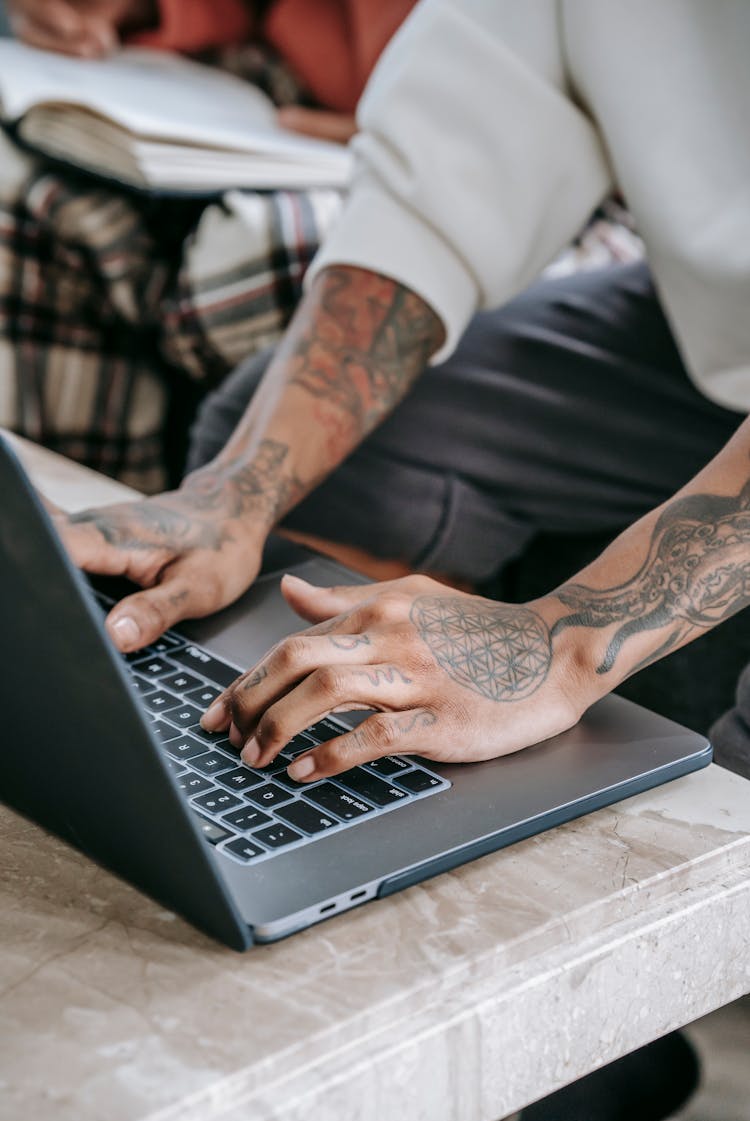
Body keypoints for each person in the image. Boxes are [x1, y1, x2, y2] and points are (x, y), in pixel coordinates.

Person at [48, 0, 749, 786]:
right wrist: (232, 490)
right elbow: (447, 162)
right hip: (711, 323)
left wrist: (559, 645)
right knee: (289, 459)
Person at [0, 0, 415, 489]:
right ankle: (47, 530)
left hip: (402, 156)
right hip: (251, 89)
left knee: (241, 268)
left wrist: (419, 140)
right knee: (30, 197)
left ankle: (117, 526)